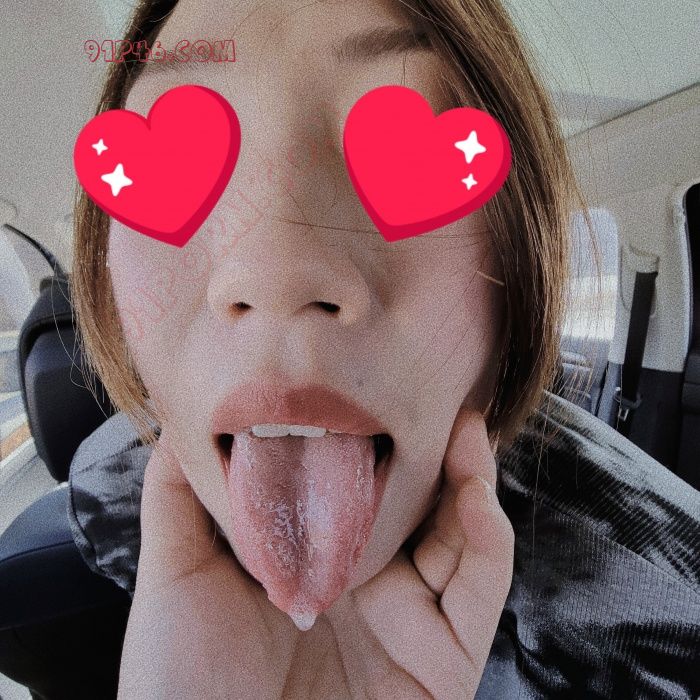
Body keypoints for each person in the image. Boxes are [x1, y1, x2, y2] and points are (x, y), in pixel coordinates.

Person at [67, 0, 700, 697]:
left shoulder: (671, 621)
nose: (278, 276)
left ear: (521, 259)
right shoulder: (99, 498)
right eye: (185, 163)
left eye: (402, 149)